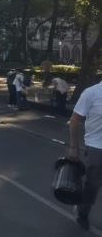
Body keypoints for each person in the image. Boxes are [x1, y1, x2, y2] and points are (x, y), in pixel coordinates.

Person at [68, 80, 102, 231]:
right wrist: (74, 147)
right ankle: (82, 212)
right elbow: (74, 121)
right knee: (93, 186)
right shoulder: (91, 93)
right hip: (96, 147)